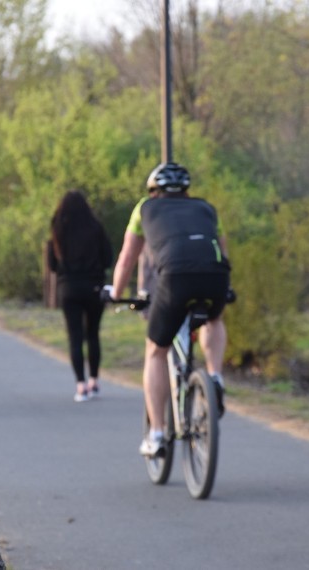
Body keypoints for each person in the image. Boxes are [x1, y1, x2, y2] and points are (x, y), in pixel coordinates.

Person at [108, 163, 231, 456]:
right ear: (187, 191)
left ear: (154, 190)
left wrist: (115, 292)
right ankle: (215, 377)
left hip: (175, 279)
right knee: (214, 318)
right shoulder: (206, 208)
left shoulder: (145, 208)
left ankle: (158, 434)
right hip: (216, 275)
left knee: (156, 350)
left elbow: (127, 258)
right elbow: (223, 251)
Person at [48, 190, 114, 402]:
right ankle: (94, 380)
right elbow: (107, 258)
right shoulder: (96, 228)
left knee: (75, 337)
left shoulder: (58, 230)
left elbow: (52, 265)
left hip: (69, 289)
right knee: (93, 334)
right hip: (94, 287)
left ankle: (81, 385)